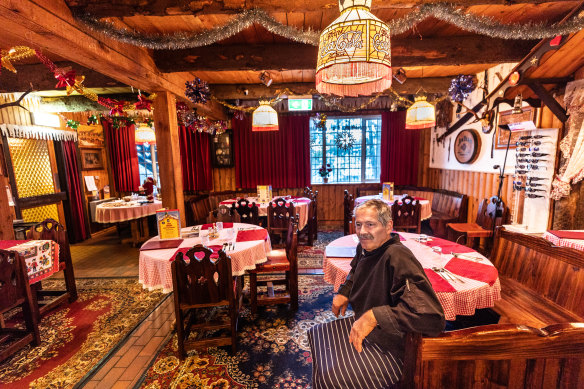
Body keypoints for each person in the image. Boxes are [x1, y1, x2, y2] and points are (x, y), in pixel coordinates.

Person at [308, 199, 445, 388]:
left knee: (330, 378)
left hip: (394, 344)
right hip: (369, 326)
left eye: (370, 224)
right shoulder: (365, 247)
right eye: (358, 224)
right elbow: (356, 270)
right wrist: (344, 292)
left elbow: (431, 317)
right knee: (316, 334)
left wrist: (374, 316)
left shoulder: (398, 256)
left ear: (388, 226)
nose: (362, 231)